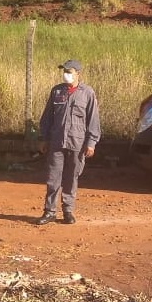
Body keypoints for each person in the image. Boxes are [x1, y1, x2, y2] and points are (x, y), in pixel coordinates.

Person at [35, 59, 101, 225]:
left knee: (72, 178)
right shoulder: (56, 92)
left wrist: (91, 143)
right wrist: (44, 138)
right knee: (53, 178)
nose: (66, 75)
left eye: (69, 72)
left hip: (77, 143)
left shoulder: (87, 93)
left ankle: (67, 211)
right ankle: (49, 211)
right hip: (57, 141)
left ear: (78, 74)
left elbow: (93, 120)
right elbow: (47, 117)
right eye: (64, 71)